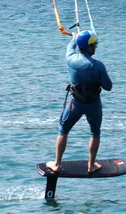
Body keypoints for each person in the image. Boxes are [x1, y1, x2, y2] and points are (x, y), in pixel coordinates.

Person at [46, 30, 113, 174]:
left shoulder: (70, 59)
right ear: (89, 46)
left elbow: (70, 46)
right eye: (94, 44)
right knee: (95, 132)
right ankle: (91, 165)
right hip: (93, 105)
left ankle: (56, 164)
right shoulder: (98, 66)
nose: (95, 46)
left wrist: (75, 38)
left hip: (75, 104)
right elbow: (108, 87)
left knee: (63, 130)